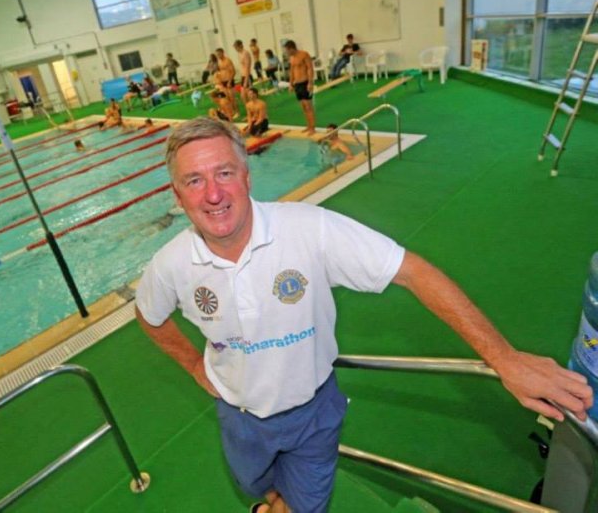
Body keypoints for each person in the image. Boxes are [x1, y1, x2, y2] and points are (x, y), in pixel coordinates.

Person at [135, 117, 593, 513]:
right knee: (258, 486)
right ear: (178, 195)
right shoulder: (170, 265)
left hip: (313, 414)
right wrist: (194, 365)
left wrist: (504, 358)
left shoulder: (308, 230)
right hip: (239, 416)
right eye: (194, 181)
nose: (213, 194)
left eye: (224, 173)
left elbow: (413, 272)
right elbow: (149, 316)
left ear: (247, 176)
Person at [284, 40, 316, 134]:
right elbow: (292, 71)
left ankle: (313, 128)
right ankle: (308, 126)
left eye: (287, 50)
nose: (286, 52)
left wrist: (310, 83)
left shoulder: (304, 54)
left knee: (308, 106)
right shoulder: (291, 58)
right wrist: (290, 84)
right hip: (297, 84)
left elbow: (310, 68)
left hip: (305, 82)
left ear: (292, 48)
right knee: (303, 107)